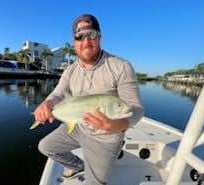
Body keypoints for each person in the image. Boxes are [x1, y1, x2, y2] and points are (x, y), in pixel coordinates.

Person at [34, 14, 144, 185]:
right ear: (74, 41)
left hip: (106, 138)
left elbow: (136, 109)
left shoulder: (121, 66)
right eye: (80, 36)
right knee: (45, 147)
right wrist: (48, 103)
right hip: (79, 127)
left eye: (91, 35)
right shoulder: (70, 70)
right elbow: (57, 94)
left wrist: (115, 125)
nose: (86, 42)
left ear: (99, 36)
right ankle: (78, 166)